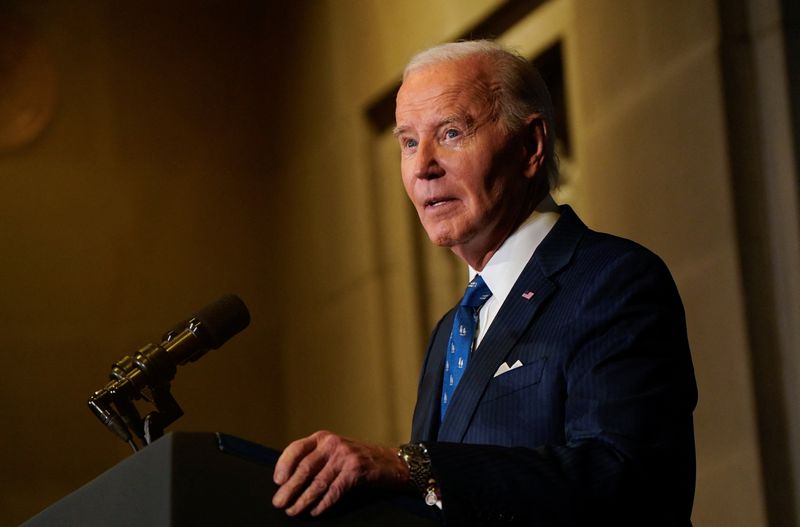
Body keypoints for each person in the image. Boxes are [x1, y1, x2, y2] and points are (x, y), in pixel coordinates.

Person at [271, 40, 697, 526]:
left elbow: (626, 477)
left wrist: (410, 466)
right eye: (409, 142)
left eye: (451, 133)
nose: (422, 167)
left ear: (530, 146)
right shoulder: (451, 331)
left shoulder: (612, 279)